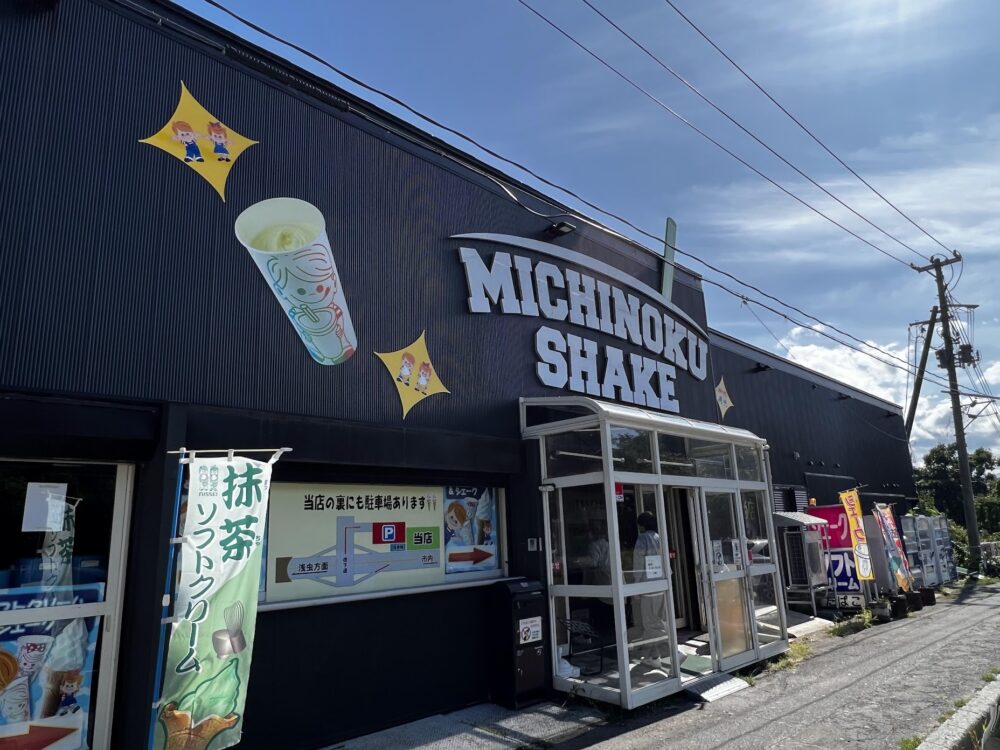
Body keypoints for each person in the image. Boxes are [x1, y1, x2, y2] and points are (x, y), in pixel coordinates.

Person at [632, 511, 671, 672]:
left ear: (641, 525)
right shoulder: (658, 537)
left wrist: (636, 585)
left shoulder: (643, 539)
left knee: (650, 625)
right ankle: (654, 657)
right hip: (661, 586)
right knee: (657, 622)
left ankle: (670, 651)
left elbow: (638, 563)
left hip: (647, 587)